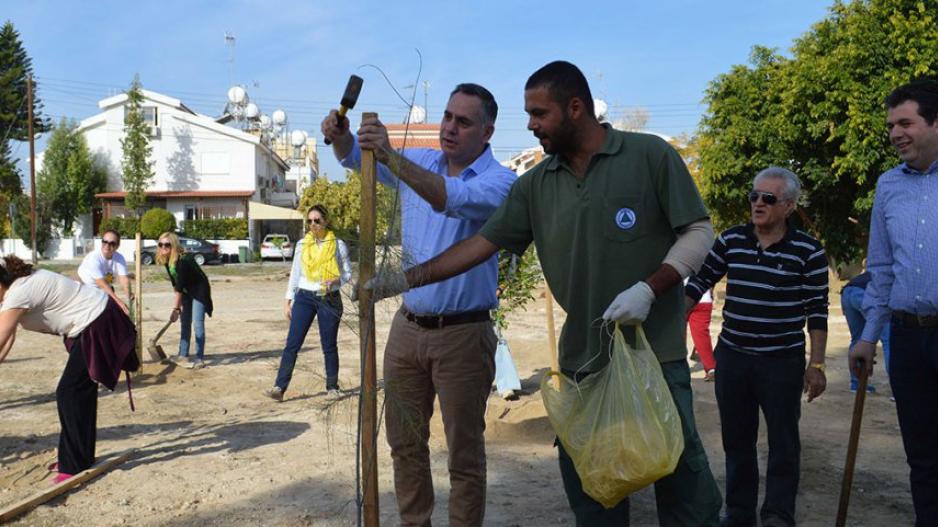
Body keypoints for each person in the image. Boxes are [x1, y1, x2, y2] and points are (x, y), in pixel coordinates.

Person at [366, 61, 722, 526]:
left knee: (680, 483)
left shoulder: (648, 156)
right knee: (595, 490)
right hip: (583, 363)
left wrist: (650, 289)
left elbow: (698, 231)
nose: (530, 124)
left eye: (539, 113)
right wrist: (405, 279)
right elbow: (479, 244)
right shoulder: (536, 184)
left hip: (656, 355)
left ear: (576, 108)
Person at [321, 82, 516, 526]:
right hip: (408, 329)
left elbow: (450, 198)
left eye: (463, 121)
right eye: (447, 116)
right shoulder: (424, 160)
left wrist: (390, 155)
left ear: (487, 132)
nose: (449, 128)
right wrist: (344, 137)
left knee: (464, 455)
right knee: (404, 444)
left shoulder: (501, 182)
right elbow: (356, 159)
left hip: (464, 334)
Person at [686, 167, 828, 527]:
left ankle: (779, 514)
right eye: (754, 196)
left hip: (782, 362)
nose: (758, 204)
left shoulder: (808, 251)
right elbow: (700, 281)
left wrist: (818, 365)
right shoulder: (731, 241)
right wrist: (665, 316)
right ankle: (739, 513)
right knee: (737, 442)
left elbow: (817, 311)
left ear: (790, 206)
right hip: (733, 358)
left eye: (769, 198)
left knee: (783, 443)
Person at [850, 79, 938, 525]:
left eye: (906, 122)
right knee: (922, 459)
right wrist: (867, 337)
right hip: (904, 338)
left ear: (936, 122)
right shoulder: (888, 185)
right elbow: (881, 270)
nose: (895, 133)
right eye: (891, 125)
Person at [0, 255, 137, 483]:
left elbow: (2, 336)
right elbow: (9, 336)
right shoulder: (15, 291)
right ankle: (77, 458)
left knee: (69, 391)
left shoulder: (18, 292)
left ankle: (74, 463)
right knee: (78, 391)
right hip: (94, 321)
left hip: (97, 321)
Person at [264, 204, 351, 401]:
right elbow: (295, 273)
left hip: (329, 298)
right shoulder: (303, 245)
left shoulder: (338, 244)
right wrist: (288, 300)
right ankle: (279, 387)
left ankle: (332, 387)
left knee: (329, 345)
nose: (313, 224)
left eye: (317, 220)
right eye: (309, 221)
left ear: (325, 221)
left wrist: (337, 280)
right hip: (304, 297)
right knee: (292, 343)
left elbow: (347, 273)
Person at [155, 232, 213, 369]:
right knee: (185, 322)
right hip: (186, 291)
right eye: (161, 244)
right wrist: (178, 306)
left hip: (199, 291)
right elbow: (176, 285)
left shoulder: (183, 260)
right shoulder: (168, 261)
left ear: (174, 245)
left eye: (167, 245)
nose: (163, 247)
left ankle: (199, 358)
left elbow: (180, 287)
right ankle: (183, 354)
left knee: (197, 324)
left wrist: (175, 308)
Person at [841, 270, 890, 393]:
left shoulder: (881, 268)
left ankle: (856, 383)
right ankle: (897, 389)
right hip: (863, 294)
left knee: (858, 338)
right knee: (888, 339)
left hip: (847, 293)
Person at [77, 229, 133, 314]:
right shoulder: (94, 258)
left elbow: (123, 279)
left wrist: (129, 294)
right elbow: (101, 284)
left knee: (114, 312)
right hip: (87, 288)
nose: (107, 245)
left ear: (117, 246)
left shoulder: (119, 258)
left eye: (112, 243)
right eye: (105, 242)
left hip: (105, 288)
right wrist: (119, 302)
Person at [684, 276, 716, 381]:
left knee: (678, 335)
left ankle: (679, 368)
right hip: (704, 299)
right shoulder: (708, 260)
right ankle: (711, 368)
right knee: (701, 335)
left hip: (684, 298)